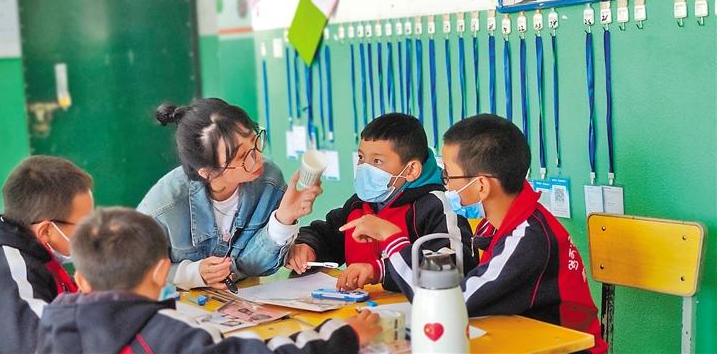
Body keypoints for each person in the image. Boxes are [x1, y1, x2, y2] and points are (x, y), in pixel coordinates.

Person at [341, 114, 607, 353]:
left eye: (448, 176)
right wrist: (382, 270)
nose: (445, 185)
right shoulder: (500, 223)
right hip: (519, 337)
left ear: (481, 186)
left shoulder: (527, 238)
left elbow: (447, 303)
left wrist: (392, 238)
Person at [36, 208, 382, 354]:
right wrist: (343, 335)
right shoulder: (172, 335)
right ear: (160, 271)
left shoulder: (51, 327)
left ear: (81, 280)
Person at [138, 98, 322, 290]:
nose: (257, 158)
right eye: (242, 157)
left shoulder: (269, 181)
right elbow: (132, 273)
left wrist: (284, 219)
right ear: (207, 172)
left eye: (255, 141)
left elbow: (252, 266)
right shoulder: (163, 205)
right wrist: (190, 274)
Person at [286, 113, 477, 292]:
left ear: (411, 170)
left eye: (377, 161)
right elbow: (325, 234)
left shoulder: (436, 206)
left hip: (415, 310)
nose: (364, 168)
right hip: (362, 310)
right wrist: (307, 247)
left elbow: (456, 266)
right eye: (361, 158)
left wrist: (381, 270)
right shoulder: (359, 203)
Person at [0, 156, 94, 354]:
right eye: (85, 225)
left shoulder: (26, 249)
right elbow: (48, 347)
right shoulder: (2, 269)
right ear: (46, 231)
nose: (93, 233)